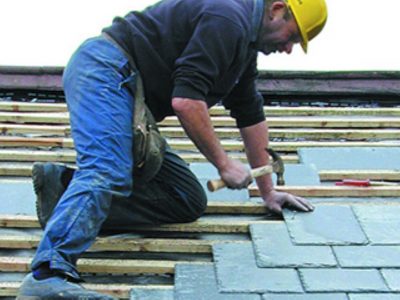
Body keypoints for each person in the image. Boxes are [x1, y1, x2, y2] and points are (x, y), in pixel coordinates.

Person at [17, 0, 327, 298]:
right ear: (277, 11)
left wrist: (267, 191)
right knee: (106, 169)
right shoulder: (228, 17)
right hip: (107, 70)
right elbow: (187, 101)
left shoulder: (242, 48)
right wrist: (224, 164)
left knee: (185, 197)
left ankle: (60, 195)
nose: (288, 49)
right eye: (293, 38)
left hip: (130, 94)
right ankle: (48, 273)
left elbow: (250, 113)